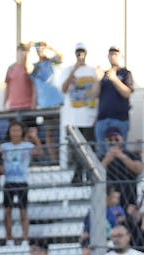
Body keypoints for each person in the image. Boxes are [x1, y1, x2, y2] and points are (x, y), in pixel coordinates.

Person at [61, 43, 98, 184]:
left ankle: (89, 175)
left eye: (82, 52)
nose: (80, 55)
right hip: (74, 119)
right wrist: (73, 72)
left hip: (89, 117)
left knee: (89, 148)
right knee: (77, 150)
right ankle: (77, 176)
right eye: (78, 52)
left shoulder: (93, 71)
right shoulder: (68, 70)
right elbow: (63, 89)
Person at [0, 120, 43, 244]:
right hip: (9, 181)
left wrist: (35, 138)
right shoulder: (5, 146)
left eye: (18, 130)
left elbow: (40, 152)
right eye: (13, 130)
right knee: (7, 211)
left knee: (23, 211)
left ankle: (25, 239)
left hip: (22, 181)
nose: (15, 133)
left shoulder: (27, 145)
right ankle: (9, 239)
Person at [94, 46, 134, 151]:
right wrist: (98, 79)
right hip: (103, 118)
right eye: (111, 54)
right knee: (102, 150)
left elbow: (127, 93)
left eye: (116, 54)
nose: (113, 56)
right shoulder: (103, 74)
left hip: (120, 119)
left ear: (121, 56)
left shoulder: (126, 73)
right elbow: (94, 94)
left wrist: (115, 79)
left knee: (120, 150)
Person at [4, 43, 36, 111]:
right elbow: (7, 87)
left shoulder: (30, 68)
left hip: (28, 106)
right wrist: (4, 104)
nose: (21, 54)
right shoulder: (11, 68)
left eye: (24, 52)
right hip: (13, 107)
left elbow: (35, 88)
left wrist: (34, 105)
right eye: (19, 52)